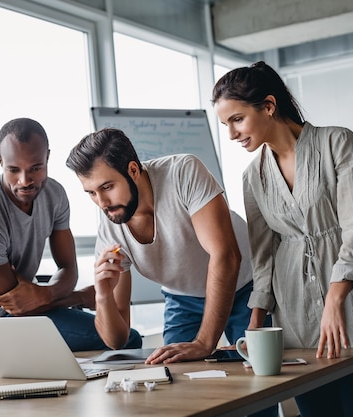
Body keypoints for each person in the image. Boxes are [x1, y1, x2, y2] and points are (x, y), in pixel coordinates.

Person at [212, 61, 353, 417]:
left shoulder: (336, 142)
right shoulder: (253, 177)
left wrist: (333, 300)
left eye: (237, 119)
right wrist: (255, 326)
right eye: (225, 125)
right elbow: (264, 255)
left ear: (268, 105)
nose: (232, 134)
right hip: (294, 318)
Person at [65, 128, 266, 364]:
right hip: (183, 298)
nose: (102, 203)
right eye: (91, 193)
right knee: (172, 372)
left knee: (256, 376)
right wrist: (102, 295)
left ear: (132, 170)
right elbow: (117, 340)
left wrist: (204, 343)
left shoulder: (183, 172)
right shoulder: (111, 230)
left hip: (245, 286)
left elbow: (226, 256)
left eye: (108, 187)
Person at [0, 117, 142, 354]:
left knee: (121, 338)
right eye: (13, 170)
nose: (25, 181)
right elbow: (18, 306)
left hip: (38, 313)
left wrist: (44, 294)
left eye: (35, 168)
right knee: (128, 341)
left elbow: (68, 271)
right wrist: (80, 298)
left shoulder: (54, 194)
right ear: (0, 161)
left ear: (47, 158)